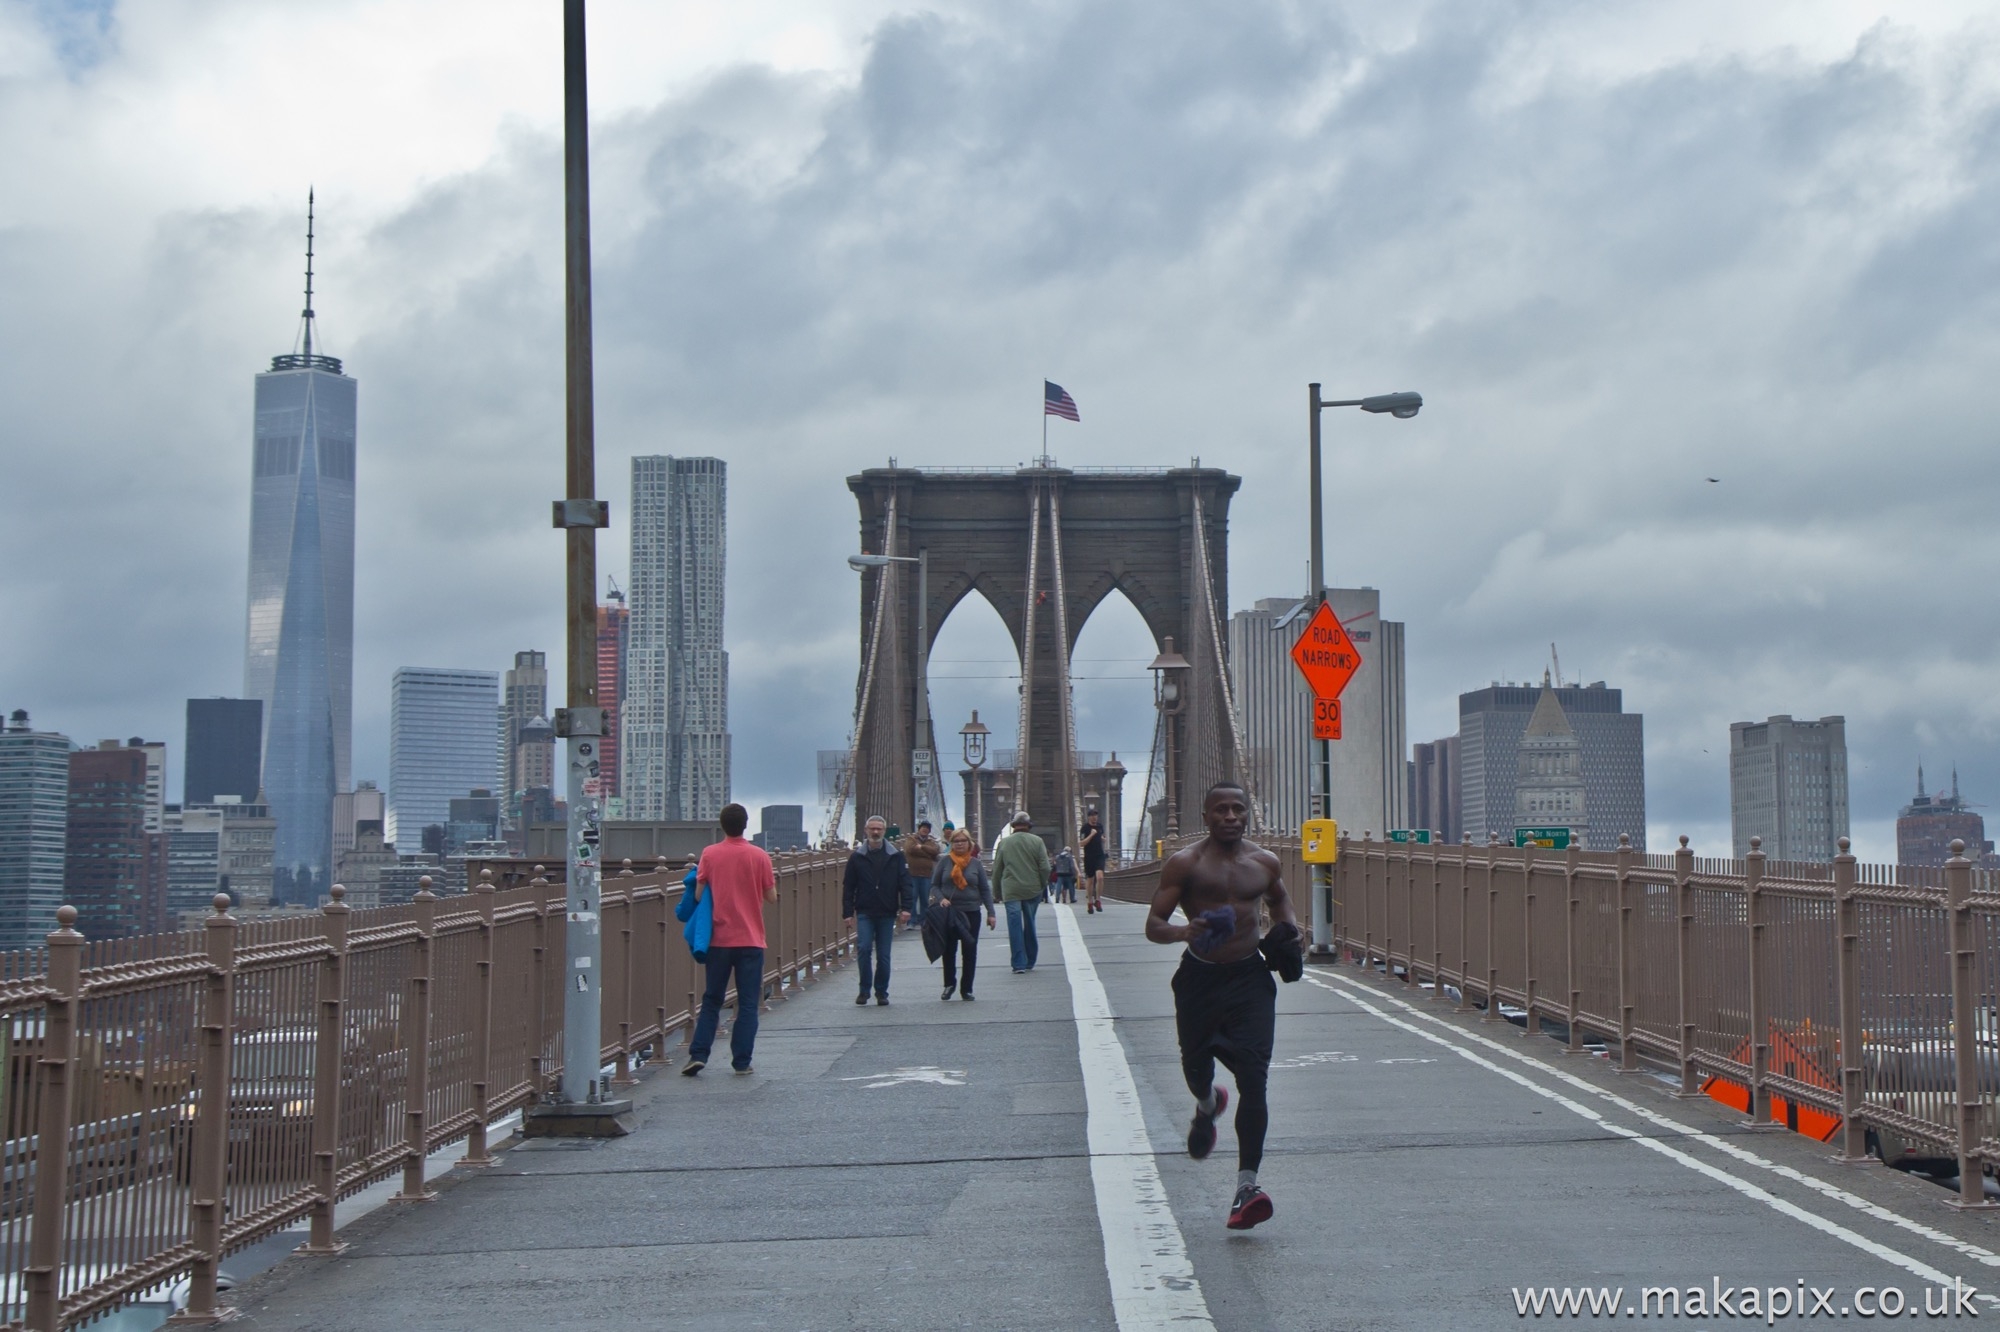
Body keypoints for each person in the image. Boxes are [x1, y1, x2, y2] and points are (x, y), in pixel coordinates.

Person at [1144, 781, 1298, 1231]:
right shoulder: (1185, 864)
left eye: (1238, 809)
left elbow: (1281, 901)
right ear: (1206, 816)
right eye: (1221, 810)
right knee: (1196, 1071)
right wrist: (1182, 932)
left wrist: (1291, 931)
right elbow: (1153, 924)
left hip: (1250, 979)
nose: (1231, 816)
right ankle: (1208, 1103)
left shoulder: (1264, 862)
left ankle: (1246, 1187)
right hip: (1198, 980)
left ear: (1247, 813)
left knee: (1254, 1076)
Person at [683, 802, 778, 1076]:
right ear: (746, 825)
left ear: (722, 825)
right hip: (750, 939)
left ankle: (698, 1054)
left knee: (712, 998)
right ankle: (741, 1061)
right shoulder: (759, 856)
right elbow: (771, 897)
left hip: (718, 940)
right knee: (748, 1002)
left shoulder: (709, 854)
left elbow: (699, 895)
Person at [843, 815, 912, 1005]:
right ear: (866, 831)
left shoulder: (896, 856)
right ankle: (864, 990)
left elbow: (905, 883)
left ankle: (881, 992)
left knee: (883, 955)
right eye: (872, 829)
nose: (875, 832)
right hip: (865, 911)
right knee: (864, 949)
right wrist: (847, 913)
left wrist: (906, 908)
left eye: (879, 829)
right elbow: (848, 886)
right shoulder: (857, 857)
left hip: (887, 911)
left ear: (884, 831)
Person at [931, 828, 995, 999]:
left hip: (971, 911)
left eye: (963, 841)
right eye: (956, 841)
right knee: (949, 949)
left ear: (969, 844)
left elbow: (984, 890)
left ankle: (966, 989)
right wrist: (941, 899)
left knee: (969, 950)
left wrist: (991, 913)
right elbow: (934, 885)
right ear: (951, 844)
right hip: (949, 912)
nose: (959, 844)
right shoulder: (944, 862)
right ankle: (949, 985)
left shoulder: (976, 864)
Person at [993, 810, 1052, 974]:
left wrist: (996, 891)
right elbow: (1045, 868)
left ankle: (1018, 963)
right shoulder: (1037, 841)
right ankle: (1030, 960)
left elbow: (997, 870)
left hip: (1011, 890)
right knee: (1030, 923)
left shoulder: (1004, 843)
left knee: (1014, 925)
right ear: (1028, 826)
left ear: (1013, 826)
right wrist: (1041, 884)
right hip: (1032, 888)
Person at [900, 820, 942, 932]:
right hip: (912, 874)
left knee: (925, 899)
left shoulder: (930, 841)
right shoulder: (911, 839)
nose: (925, 829)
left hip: (926, 874)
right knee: (912, 898)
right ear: (919, 829)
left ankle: (924, 921)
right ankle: (912, 921)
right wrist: (927, 853)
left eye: (927, 828)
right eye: (923, 827)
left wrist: (921, 847)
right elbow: (910, 849)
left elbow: (935, 852)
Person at [1080, 808, 1108, 913]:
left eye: (1096, 815)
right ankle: (1090, 902)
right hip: (1089, 856)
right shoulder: (1084, 828)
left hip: (1099, 855)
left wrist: (1102, 838)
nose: (1094, 817)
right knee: (1090, 880)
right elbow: (1081, 843)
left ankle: (1098, 900)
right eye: (1092, 815)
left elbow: (1102, 836)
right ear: (1089, 817)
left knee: (1100, 877)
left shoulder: (1100, 826)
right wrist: (1091, 835)